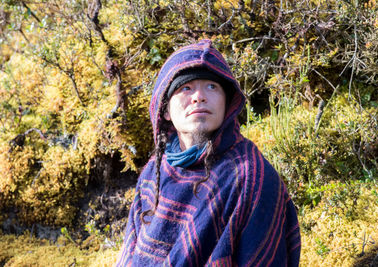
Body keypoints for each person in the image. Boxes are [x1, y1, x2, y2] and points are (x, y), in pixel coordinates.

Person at [116, 39, 301, 266]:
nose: (199, 97)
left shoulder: (251, 177)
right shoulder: (154, 172)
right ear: (164, 110)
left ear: (227, 103)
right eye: (186, 88)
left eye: (212, 87)